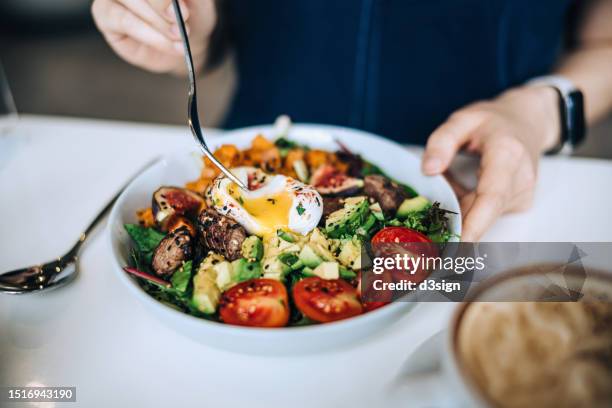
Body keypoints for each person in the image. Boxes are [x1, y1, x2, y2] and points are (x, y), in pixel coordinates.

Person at [91, 0, 612, 241]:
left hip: (480, 192)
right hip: (244, 162)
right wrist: (186, 28)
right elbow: (220, 21)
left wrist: (541, 109)